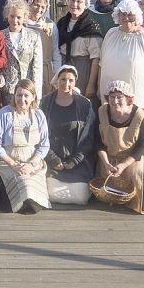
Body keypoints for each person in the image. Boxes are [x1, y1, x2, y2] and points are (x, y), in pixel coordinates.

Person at [98, 0, 144, 180]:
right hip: (110, 93)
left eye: (130, 14)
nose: (126, 18)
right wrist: (98, 88)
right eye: (123, 14)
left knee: (137, 125)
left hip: (137, 91)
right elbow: (102, 64)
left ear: (137, 16)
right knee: (113, 126)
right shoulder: (111, 33)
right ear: (117, 15)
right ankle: (112, 165)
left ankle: (139, 168)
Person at [0, 79, 51, 214]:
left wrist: (32, 164)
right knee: (25, 189)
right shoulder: (5, 114)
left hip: (32, 161)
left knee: (35, 200)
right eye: (19, 95)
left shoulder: (39, 115)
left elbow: (44, 145)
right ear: (14, 96)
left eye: (26, 95)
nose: (22, 99)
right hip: (9, 160)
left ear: (33, 97)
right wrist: (13, 164)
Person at [93, 80, 144, 214]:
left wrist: (123, 165)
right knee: (103, 175)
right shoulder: (102, 112)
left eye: (120, 97)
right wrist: (106, 163)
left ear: (128, 98)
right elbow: (97, 142)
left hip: (132, 157)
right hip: (109, 155)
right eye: (112, 97)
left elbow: (142, 146)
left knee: (135, 172)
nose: (115, 101)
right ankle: (109, 198)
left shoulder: (139, 115)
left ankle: (133, 203)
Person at [41, 65, 97, 205]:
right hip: (52, 161)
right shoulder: (45, 103)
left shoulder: (84, 104)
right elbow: (40, 136)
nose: (66, 84)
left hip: (77, 162)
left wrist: (74, 161)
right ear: (57, 80)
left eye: (70, 80)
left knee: (81, 197)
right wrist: (53, 159)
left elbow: (89, 138)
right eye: (63, 79)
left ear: (75, 82)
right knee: (52, 195)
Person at [54, 0, 102, 100]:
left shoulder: (91, 26)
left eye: (79, 1)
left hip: (83, 68)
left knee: (80, 101)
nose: (74, 5)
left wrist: (91, 84)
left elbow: (96, 58)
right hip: (64, 64)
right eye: (72, 1)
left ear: (86, 4)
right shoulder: (61, 23)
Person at [0, 0, 43, 102]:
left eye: (18, 17)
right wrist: (1, 84)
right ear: (7, 16)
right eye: (12, 16)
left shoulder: (34, 36)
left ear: (24, 18)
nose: (15, 20)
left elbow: (37, 67)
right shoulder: (0, 35)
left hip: (28, 90)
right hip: (8, 90)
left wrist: (36, 94)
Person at [26, 0, 57, 91]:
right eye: (36, 5)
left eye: (43, 7)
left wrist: (56, 72)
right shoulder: (22, 23)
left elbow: (55, 51)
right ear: (30, 4)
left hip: (45, 69)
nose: (39, 9)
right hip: (27, 67)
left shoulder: (50, 24)